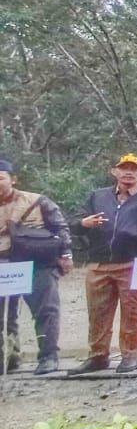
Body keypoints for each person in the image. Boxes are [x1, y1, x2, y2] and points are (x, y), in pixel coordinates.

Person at [69, 153, 137, 375]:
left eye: (134, 168)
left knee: (132, 312)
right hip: (98, 263)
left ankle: (130, 355)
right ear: (114, 171)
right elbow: (73, 223)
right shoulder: (97, 196)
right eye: (123, 168)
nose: (128, 172)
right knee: (97, 313)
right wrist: (83, 223)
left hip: (132, 264)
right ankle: (98, 356)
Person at [0, 159, 72, 375]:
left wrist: (66, 254)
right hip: (2, 266)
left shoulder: (38, 201)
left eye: (1, 178)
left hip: (37, 265)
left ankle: (48, 356)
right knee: (3, 316)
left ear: (13, 179)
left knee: (46, 312)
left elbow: (61, 227)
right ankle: (9, 358)